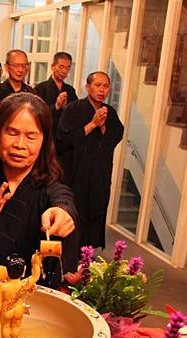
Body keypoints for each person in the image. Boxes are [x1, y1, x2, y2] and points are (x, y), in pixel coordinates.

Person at [0, 93, 79, 288]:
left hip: (31, 304)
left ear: (44, 141)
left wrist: (63, 213)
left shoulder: (50, 191)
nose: (20, 145)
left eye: (31, 136)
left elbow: (62, 200)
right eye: (11, 133)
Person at [56, 71, 124, 249]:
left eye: (106, 86)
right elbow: (62, 140)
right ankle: (70, 250)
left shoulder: (110, 112)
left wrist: (102, 128)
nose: (102, 90)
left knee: (97, 209)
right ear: (87, 87)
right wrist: (92, 124)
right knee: (76, 211)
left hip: (99, 174)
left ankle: (89, 251)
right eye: (97, 85)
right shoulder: (74, 108)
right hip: (76, 173)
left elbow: (115, 136)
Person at [35, 52, 78, 138]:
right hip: (46, 134)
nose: (64, 71)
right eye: (61, 67)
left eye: (67, 68)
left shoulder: (70, 90)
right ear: (52, 66)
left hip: (64, 136)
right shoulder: (40, 88)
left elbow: (76, 114)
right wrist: (56, 106)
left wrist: (66, 108)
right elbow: (36, 113)